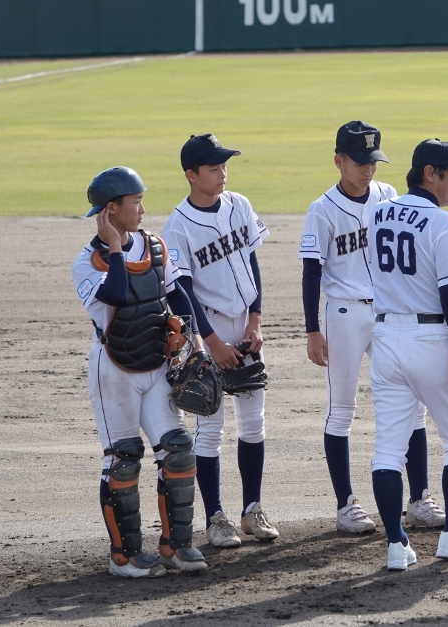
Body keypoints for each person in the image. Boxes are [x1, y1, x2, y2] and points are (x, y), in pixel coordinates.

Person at [299, 121, 445, 534]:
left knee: (412, 403)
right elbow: (312, 272)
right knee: (341, 409)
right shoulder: (322, 209)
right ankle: (346, 505)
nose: (368, 169)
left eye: (373, 161)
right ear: (338, 161)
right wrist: (312, 329)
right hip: (344, 313)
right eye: (359, 162)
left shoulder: (387, 195)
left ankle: (419, 499)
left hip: (388, 312)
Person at [72, 166, 208, 577]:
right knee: (124, 458)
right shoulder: (87, 262)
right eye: (136, 202)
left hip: (156, 365)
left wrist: (196, 340)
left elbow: (177, 294)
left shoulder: (156, 247)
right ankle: (124, 557)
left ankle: (175, 547)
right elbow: (117, 294)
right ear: (111, 209)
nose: (143, 209)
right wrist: (115, 248)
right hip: (114, 371)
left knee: (179, 451)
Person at [367, 139, 448, 571]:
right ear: (430, 174)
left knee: (387, 449)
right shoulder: (443, 222)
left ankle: (396, 545)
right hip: (431, 339)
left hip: (385, 338)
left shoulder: (377, 213)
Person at [161, 134, 278, 549]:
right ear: (191, 175)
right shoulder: (178, 225)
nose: (222, 173)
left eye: (224, 166)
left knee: (254, 424)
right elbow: (181, 291)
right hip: (206, 330)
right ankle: (215, 518)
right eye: (213, 168)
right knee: (209, 429)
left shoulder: (239, 205)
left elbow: (251, 262)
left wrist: (256, 322)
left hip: (245, 327)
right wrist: (210, 341)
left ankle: (252, 510)